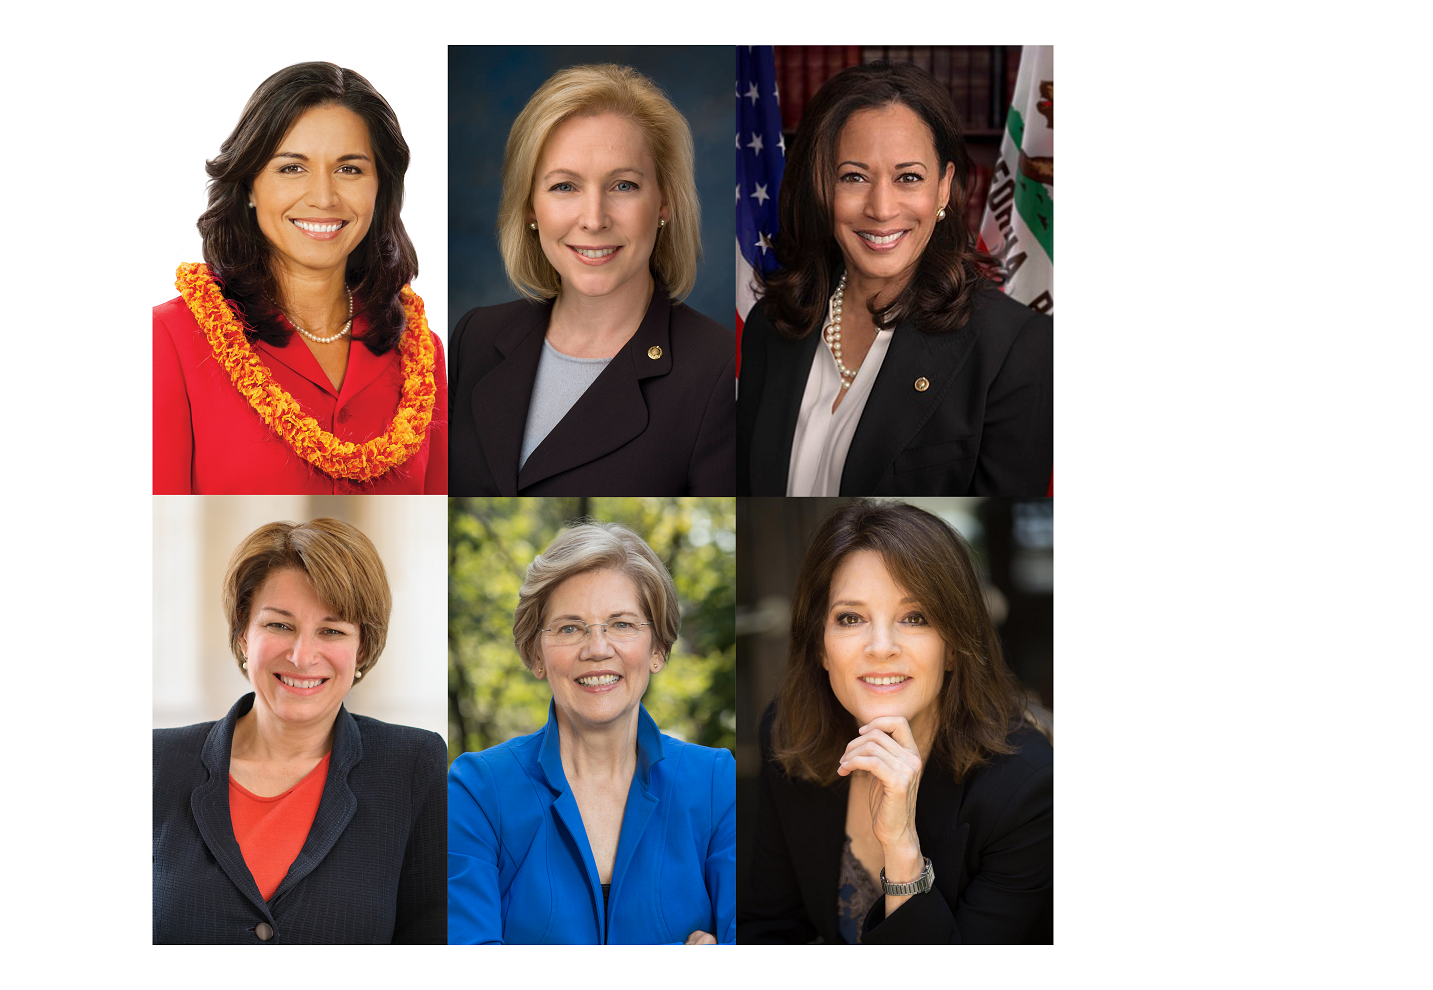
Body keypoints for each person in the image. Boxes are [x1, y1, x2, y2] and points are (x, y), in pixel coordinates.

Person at [740, 500, 1051, 943]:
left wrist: (902, 848)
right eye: (851, 618)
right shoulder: (789, 733)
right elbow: (772, 927)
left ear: (954, 647)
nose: (880, 646)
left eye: (914, 617)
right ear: (821, 648)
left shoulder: (1028, 789)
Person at [739, 62, 1051, 496]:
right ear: (820, 185)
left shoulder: (1017, 348)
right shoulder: (768, 326)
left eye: (908, 177)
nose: (882, 208)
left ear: (943, 187)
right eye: (854, 177)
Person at [155, 62, 446, 495]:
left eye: (350, 169)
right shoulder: (172, 339)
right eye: (292, 168)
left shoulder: (423, 355)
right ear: (250, 185)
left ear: (381, 188)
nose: (324, 197)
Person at [153, 519, 445, 943]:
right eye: (279, 625)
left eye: (331, 631)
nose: (302, 655)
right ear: (242, 633)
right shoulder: (156, 763)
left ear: (361, 647)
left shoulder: (414, 765)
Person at [449, 64, 734, 496]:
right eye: (565, 187)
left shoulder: (717, 369)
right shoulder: (476, 337)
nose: (594, 219)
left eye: (623, 185)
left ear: (665, 202)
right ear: (529, 206)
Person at [448, 522, 736, 943]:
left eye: (621, 624)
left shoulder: (716, 783)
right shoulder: (478, 790)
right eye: (569, 628)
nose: (597, 649)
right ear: (535, 654)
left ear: (657, 649)